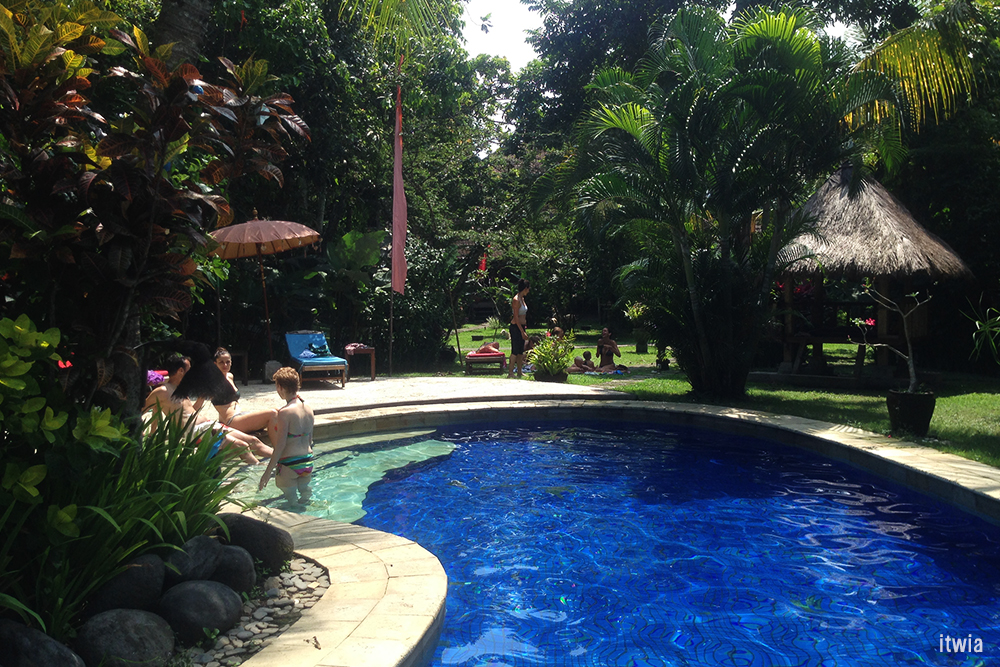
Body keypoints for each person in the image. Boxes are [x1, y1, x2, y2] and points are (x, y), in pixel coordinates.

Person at [144, 355, 272, 464]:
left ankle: (280, 461)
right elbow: (142, 409)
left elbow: (190, 412)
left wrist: (201, 398)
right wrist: (144, 434)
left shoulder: (180, 388)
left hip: (208, 425)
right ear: (181, 371)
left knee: (253, 441)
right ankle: (262, 476)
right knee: (241, 446)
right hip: (195, 432)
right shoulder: (162, 391)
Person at [259, 367, 315, 505]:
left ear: (280, 387)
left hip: (289, 463)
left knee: (292, 503)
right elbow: (310, 440)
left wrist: (267, 473)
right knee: (305, 496)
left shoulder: (284, 412)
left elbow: (280, 445)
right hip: (307, 461)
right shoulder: (308, 408)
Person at [213, 347, 277, 432]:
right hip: (231, 421)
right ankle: (280, 441)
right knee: (272, 413)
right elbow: (200, 402)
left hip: (240, 415)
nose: (225, 365)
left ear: (231, 362)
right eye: (221, 362)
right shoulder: (213, 382)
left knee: (278, 411)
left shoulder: (230, 376)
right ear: (215, 364)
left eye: (227, 362)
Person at [507, 279, 530, 379]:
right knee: (515, 351)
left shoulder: (522, 298)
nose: (528, 291)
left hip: (522, 326)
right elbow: (516, 317)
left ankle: (519, 371)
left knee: (521, 350)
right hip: (516, 327)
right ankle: (510, 372)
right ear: (525, 288)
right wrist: (521, 331)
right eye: (528, 289)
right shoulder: (516, 300)